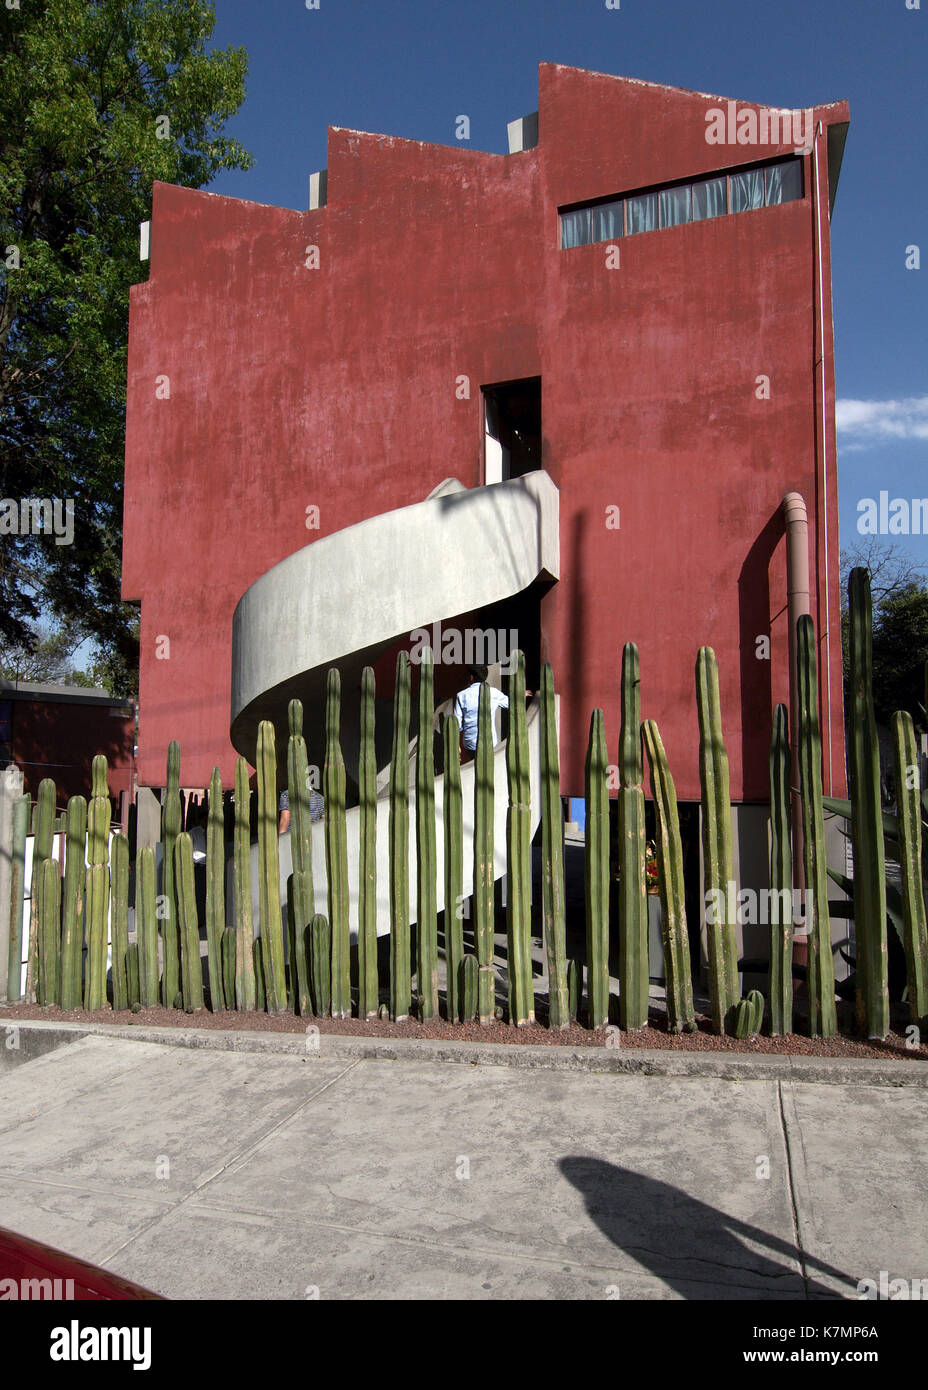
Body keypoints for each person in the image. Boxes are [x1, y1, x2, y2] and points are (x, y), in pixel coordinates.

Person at [453, 664, 509, 760]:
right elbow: (510, 704)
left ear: (471, 677)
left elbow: (455, 724)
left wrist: (456, 746)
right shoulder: (494, 693)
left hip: (470, 744)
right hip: (489, 742)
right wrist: (520, 694)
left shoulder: (461, 696)